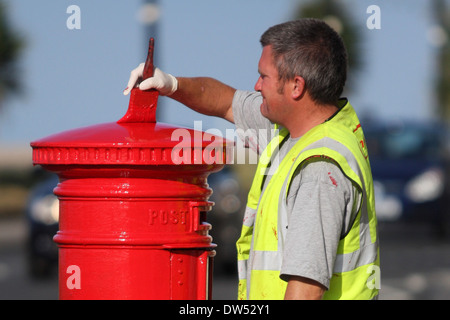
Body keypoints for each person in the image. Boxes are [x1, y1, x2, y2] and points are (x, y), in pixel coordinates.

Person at [124, 18, 380, 300]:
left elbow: (305, 292)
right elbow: (224, 100)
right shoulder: (293, 128)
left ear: (296, 86)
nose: (256, 86)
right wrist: (170, 84)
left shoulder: (319, 169)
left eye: (264, 76)